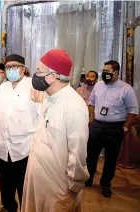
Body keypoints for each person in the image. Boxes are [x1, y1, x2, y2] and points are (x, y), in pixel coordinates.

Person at [21, 49, 90, 212]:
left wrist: (72, 187)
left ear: (53, 76)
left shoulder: (74, 106)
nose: (36, 75)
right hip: (38, 177)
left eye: (39, 71)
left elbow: (78, 151)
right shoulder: (48, 97)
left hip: (58, 185)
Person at [0, 55, 38, 212]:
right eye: (8, 67)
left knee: (24, 186)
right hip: (3, 146)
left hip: (24, 149)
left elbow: (40, 116)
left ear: (23, 69)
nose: (11, 70)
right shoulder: (2, 88)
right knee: (5, 183)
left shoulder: (33, 87)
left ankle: (26, 209)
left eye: (15, 66)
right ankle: (8, 207)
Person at [86, 60, 139, 198]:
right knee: (91, 156)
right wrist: (91, 118)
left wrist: (125, 127)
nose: (104, 74)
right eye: (103, 71)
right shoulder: (98, 85)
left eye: (107, 71)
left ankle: (105, 185)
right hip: (97, 126)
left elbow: (133, 111)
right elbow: (91, 103)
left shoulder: (126, 89)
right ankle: (88, 180)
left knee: (110, 159)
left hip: (115, 128)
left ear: (116, 73)